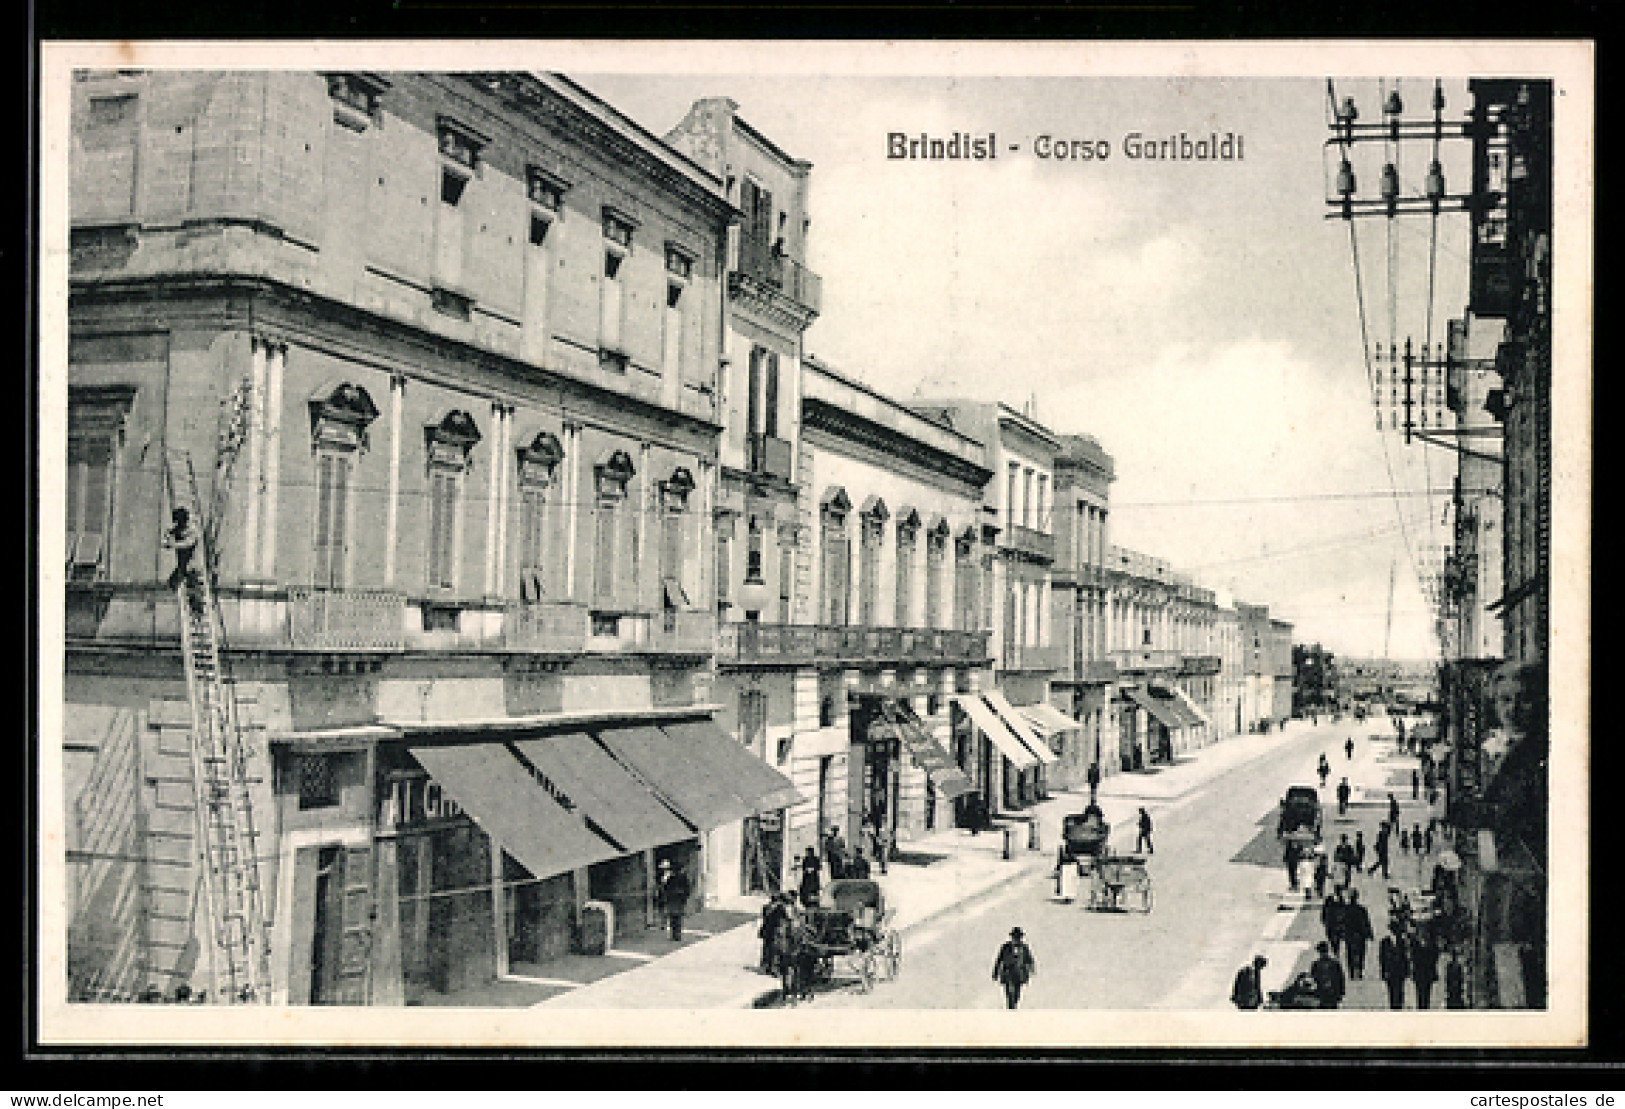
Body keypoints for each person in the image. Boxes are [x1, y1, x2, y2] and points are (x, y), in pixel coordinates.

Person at [992, 927, 1037, 1009]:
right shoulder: (1005, 947)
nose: (1016, 939)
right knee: (1009, 993)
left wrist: (1031, 969)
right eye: (1015, 937)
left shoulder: (1024, 948)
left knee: (1017, 994)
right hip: (1007, 973)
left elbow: (1029, 959)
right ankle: (1011, 1007)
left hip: (1019, 974)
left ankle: (1013, 1006)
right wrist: (995, 972)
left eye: (1018, 937)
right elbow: (999, 959)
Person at [1378, 918, 1411, 1009]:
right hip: (1390, 971)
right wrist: (1383, 971)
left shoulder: (1402, 942)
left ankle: (1399, 1006)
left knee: (1400, 990)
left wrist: (1407, 970)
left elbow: (1406, 957)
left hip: (1400, 971)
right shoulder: (1385, 942)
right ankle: (1394, 1006)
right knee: (1392, 991)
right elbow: (1382, 958)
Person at [656, 858, 691, 942]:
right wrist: (685, 897)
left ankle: (674, 935)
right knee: (676, 917)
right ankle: (677, 935)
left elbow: (665, 887)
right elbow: (687, 888)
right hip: (678, 898)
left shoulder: (670, 877)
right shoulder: (682, 876)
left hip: (673, 898)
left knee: (673, 917)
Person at [759, 892, 793, 976]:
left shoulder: (767, 907)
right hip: (776, 930)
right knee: (776, 949)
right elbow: (788, 918)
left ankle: (766, 966)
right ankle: (773, 969)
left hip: (767, 930)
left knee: (767, 948)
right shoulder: (780, 908)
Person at [1343, 889, 1374, 980]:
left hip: (1350, 935)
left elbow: (1343, 922)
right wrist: (1369, 934)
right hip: (1360, 935)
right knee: (1361, 953)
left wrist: (1342, 933)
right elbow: (1366, 922)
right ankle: (1359, 970)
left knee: (1350, 953)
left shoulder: (1346, 909)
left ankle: (1352, 971)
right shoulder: (1361, 909)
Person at [1309, 940, 1347, 1009]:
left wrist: (1314, 993)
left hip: (1322, 993)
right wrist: (1341, 992)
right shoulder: (1335, 963)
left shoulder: (1316, 964)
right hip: (1333, 993)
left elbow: (1313, 980)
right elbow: (1341, 978)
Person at [1411, 929, 1440, 1009]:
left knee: (1427, 994)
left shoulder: (1432, 945)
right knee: (1420, 994)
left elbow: (1435, 957)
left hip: (1428, 973)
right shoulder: (1415, 944)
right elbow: (1413, 957)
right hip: (1419, 973)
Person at [1321, 887, 1346, 958]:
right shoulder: (1337, 903)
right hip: (1335, 924)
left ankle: (1336, 951)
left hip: (1332, 925)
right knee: (1335, 939)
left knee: (1334, 939)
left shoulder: (1328, 906)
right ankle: (1336, 951)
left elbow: (1323, 915)